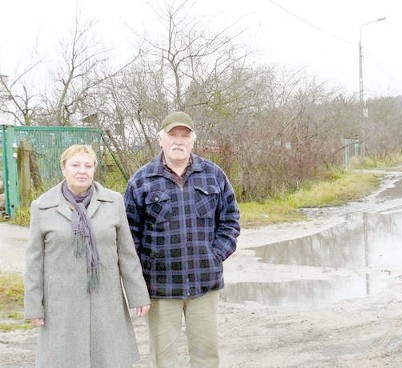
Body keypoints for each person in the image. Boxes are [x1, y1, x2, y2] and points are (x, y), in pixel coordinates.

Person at [124, 111, 241, 367]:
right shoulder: (141, 181)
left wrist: (215, 255)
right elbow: (129, 237)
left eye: (184, 136)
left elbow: (230, 221)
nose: (178, 141)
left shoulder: (213, 175)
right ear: (161, 139)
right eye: (172, 135)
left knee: (206, 357)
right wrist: (145, 273)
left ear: (193, 140)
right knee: (163, 359)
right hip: (161, 288)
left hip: (204, 284)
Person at [23, 144, 151, 367]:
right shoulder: (42, 206)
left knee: (109, 360)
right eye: (75, 165)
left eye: (88, 165)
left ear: (94, 169)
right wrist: (34, 305)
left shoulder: (113, 202)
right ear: (63, 168)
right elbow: (34, 262)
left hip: (106, 300)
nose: (82, 171)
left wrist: (138, 295)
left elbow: (127, 253)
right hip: (61, 305)